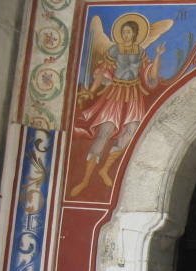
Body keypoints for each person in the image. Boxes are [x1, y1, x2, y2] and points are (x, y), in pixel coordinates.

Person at [71, 13, 169, 197]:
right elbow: (102, 72)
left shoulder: (140, 52)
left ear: (134, 34)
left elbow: (151, 76)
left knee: (131, 132)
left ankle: (105, 169)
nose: (125, 35)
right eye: (123, 31)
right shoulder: (114, 50)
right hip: (115, 93)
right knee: (105, 132)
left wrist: (157, 56)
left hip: (133, 95)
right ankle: (85, 180)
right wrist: (92, 90)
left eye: (128, 32)